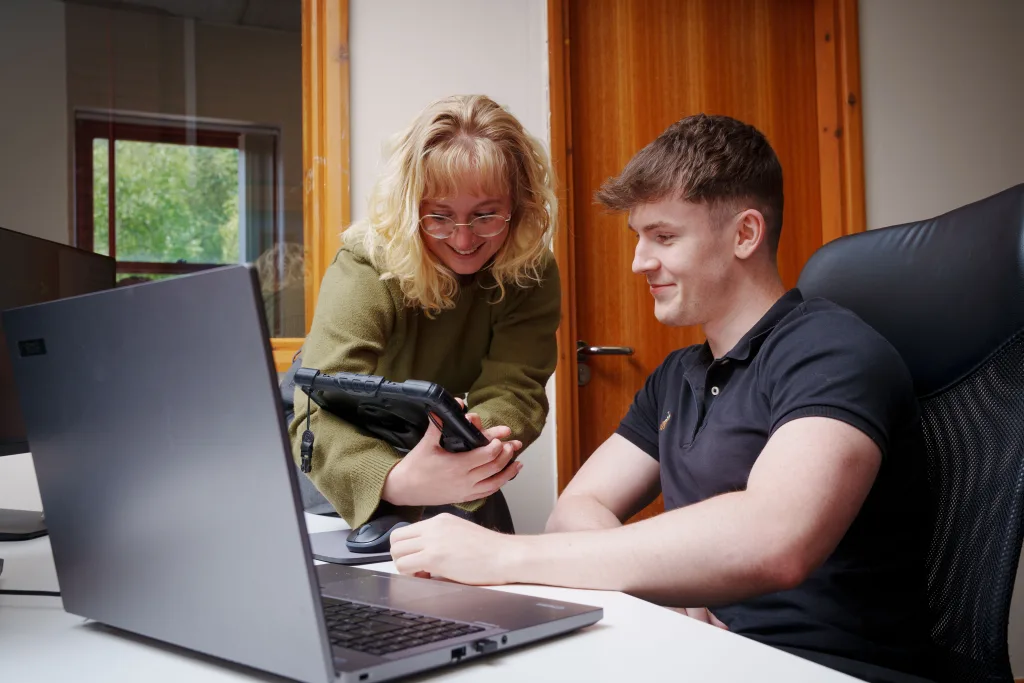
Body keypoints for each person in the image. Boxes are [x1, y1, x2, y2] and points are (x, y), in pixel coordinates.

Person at [389, 114, 935, 683]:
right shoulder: (678, 375)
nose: (639, 262)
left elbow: (775, 537)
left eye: (665, 237)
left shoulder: (832, 353)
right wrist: (670, 592)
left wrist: (503, 557)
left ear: (745, 234)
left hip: (824, 667)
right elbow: (576, 510)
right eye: (638, 237)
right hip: (697, 655)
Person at [288, 94, 560, 532]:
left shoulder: (532, 270)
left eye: (486, 215)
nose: (464, 239)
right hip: (335, 424)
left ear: (521, 204)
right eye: (439, 217)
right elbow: (317, 408)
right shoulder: (367, 262)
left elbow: (516, 388)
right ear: (410, 208)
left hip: (441, 430)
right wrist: (394, 481)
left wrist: (475, 449)